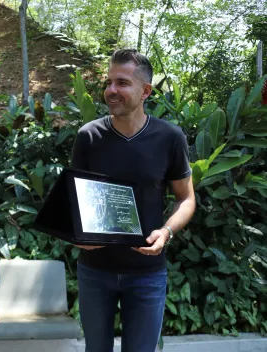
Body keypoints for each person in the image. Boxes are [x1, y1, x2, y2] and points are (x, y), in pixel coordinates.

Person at [71, 48, 196, 352]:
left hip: (146, 275)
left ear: (146, 91)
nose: (111, 90)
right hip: (94, 271)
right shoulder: (88, 136)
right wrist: (75, 233)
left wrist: (166, 232)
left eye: (122, 83)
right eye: (109, 82)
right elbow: (75, 200)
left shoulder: (170, 137)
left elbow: (187, 198)